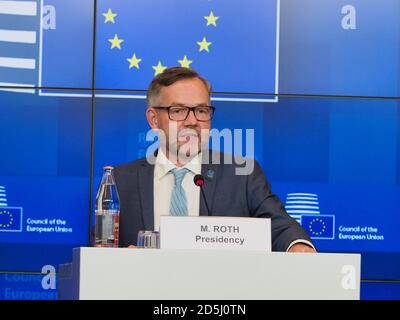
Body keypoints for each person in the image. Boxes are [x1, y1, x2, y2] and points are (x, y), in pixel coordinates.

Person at [114, 67, 316, 252]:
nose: (192, 121)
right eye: (178, 111)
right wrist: (122, 259)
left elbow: (279, 226)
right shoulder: (121, 180)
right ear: (153, 119)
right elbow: (102, 246)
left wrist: (297, 245)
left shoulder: (242, 173)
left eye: (201, 111)